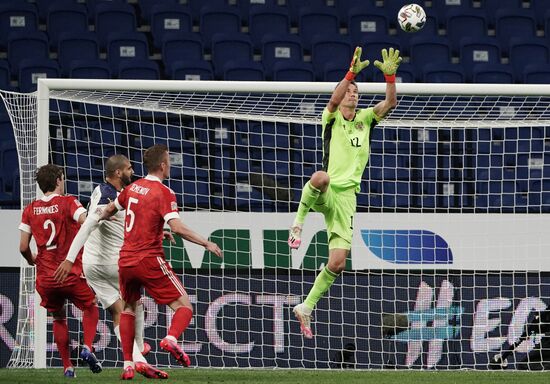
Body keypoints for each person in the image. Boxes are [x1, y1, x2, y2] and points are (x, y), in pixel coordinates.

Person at [288, 47, 402, 339]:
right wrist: (349, 73)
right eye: (349, 90)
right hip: (329, 190)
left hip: (348, 198)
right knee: (320, 176)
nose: (353, 93)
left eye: (355, 90)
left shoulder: (366, 119)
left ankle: (306, 306)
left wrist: (389, 77)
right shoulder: (331, 118)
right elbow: (332, 99)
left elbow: (391, 103)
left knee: (338, 262)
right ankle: (298, 224)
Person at [98, 144, 223, 379]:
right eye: (169, 162)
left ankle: (127, 364)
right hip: (148, 259)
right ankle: (171, 338)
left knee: (127, 308)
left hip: (125, 260)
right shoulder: (164, 192)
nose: (171, 166)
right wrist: (206, 243)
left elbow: (108, 211)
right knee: (184, 306)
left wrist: (95, 224)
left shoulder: (132, 187)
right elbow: (177, 227)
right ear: (163, 165)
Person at [53, 154, 168, 379]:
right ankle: (140, 351)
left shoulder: (101, 191)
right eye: (129, 169)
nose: (132, 172)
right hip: (114, 263)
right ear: (118, 173)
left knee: (119, 311)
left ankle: (135, 359)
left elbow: (124, 223)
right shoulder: (109, 197)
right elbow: (87, 225)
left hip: (91, 265)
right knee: (132, 308)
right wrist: (68, 258)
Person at [18, 164, 102, 377]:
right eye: (62, 178)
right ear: (57, 180)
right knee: (91, 306)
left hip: (46, 277)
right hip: (69, 272)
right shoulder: (68, 202)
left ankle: (67, 367)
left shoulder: (30, 209)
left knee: (58, 317)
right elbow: (86, 221)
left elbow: (23, 247)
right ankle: (88, 347)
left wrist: (31, 260)